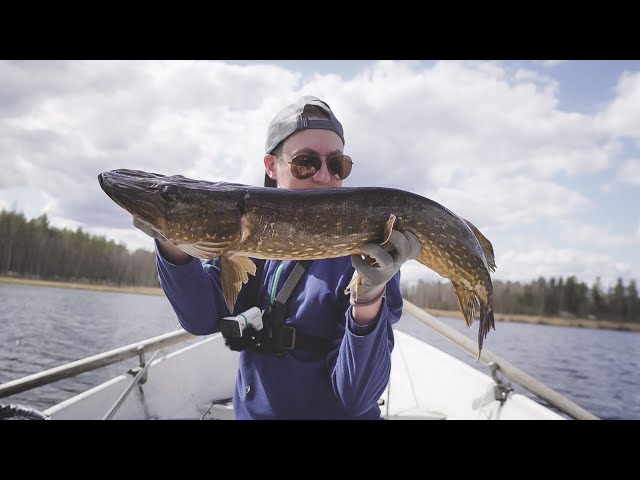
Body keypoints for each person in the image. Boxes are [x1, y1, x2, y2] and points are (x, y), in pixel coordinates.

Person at [137, 96, 420, 419]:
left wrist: (368, 300)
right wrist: (174, 240)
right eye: (306, 163)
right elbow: (200, 318)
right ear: (272, 167)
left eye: (337, 164)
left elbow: (357, 398)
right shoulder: (247, 241)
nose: (324, 176)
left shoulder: (371, 257)